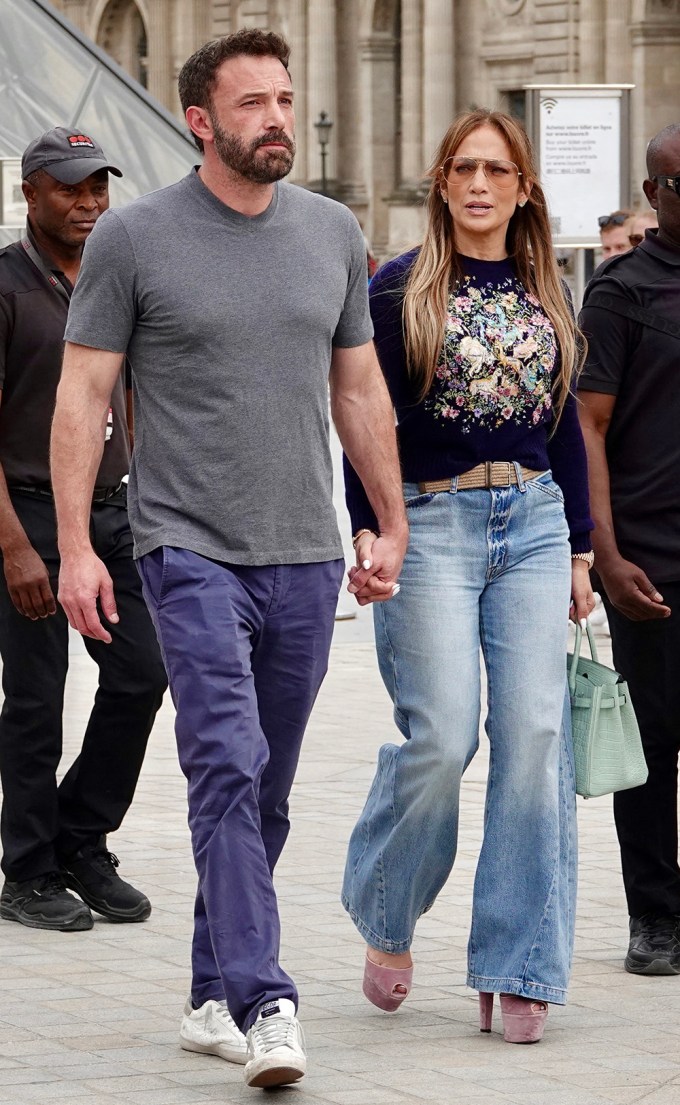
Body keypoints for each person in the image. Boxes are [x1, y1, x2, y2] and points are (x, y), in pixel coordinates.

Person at [49, 30, 407, 1090]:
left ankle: (210, 988)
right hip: (184, 542)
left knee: (269, 789)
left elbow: (357, 390)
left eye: (285, 97)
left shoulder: (332, 233)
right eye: (252, 102)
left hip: (301, 547)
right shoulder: (137, 239)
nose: (277, 117)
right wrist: (76, 545)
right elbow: (81, 398)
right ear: (200, 120)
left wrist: (385, 520)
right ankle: (265, 997)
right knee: (225, 763)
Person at [342, 109, 595, 1044]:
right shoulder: (396, 290)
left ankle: (518, 964)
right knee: (443, 736)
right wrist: (375, 527)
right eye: (464, 169)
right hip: (431, 520)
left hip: (530, 521)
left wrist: (578, 545)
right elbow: (361, 412)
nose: (481, 184)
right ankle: (387, 905)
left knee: (534, 735)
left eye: (498, 170)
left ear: (524, 188)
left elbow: (564, 422)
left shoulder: (550, 289)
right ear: (442, 184)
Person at [0, 128, 167, 933]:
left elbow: (128, 393)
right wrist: (14, 548)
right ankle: (26, 868)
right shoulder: (5, 287)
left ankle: (78, 834)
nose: (90, 201)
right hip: (24, 513)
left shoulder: (118, 275)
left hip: (112, 511)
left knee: (144, 670)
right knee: (34, 696)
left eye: (99, 185)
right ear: (31, 193)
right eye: (71, 187)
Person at [578, 122, 680, 976]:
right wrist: (604, 554)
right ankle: (656, 917)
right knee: (653, 742)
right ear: (654, 196)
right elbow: (589, 427)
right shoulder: (623, 291)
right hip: (650, 556)